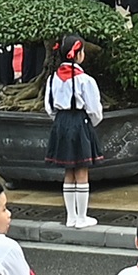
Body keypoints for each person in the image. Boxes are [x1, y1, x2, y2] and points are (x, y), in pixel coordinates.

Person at [44, 52, 105, 230]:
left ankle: (71, 216)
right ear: (78, 54)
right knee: (81, 170)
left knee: (68, 170)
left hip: (60, 122)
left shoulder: (52, 78)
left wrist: (60, 121)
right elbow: (94, 109)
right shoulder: (85, 80)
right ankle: (81, 217)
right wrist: (90, 124)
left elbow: (49, 107)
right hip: (79, 122)